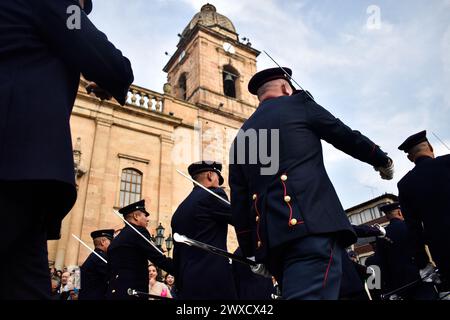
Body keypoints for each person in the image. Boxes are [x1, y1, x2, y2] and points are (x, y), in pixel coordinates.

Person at [0, 0, 134, 299]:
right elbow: (111, 62)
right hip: (17, 161)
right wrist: (106, 76)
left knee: (25, 282)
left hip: (20, 167)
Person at [229, 67, 394, 300]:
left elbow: (239, 204)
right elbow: (343, 134)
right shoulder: (298, 105)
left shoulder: (241, 137)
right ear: (286, 87)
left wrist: (252, 253)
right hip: (310, 227)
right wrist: (381, 159)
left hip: (273, 242)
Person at [171, 161, 237, 300]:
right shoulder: (213, 195)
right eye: (218, 179)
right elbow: (240, 219)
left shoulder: (180, 210)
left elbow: (177, 253)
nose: (219, 184)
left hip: (187, 282)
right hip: (212, 281)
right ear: (210, 176)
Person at [397, 130, 450, 291]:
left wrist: (423, 263)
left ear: (409, 157)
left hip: (444, 252)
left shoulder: (405, 184)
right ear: (431, 147)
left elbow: (414, 228)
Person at [106, 200, 174, 300]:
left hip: (114, 293)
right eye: (145, 215)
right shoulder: (138, 232)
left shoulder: (116, 240)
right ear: (136, 216)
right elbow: (158, 258)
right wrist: (181, 270)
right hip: (133, 293)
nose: (147, 219)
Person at [376, 202, 437, 300]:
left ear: (387, 216)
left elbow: (383, 264)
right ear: (400, 212)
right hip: (421, 277)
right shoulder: (410, 226)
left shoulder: (380, 236)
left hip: (400, 284)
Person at [78, 229, 114, 300]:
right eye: (111, 241)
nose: (112, 244)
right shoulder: (100, 258)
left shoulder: (95, 256)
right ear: (103, 242)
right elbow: (113, 275)